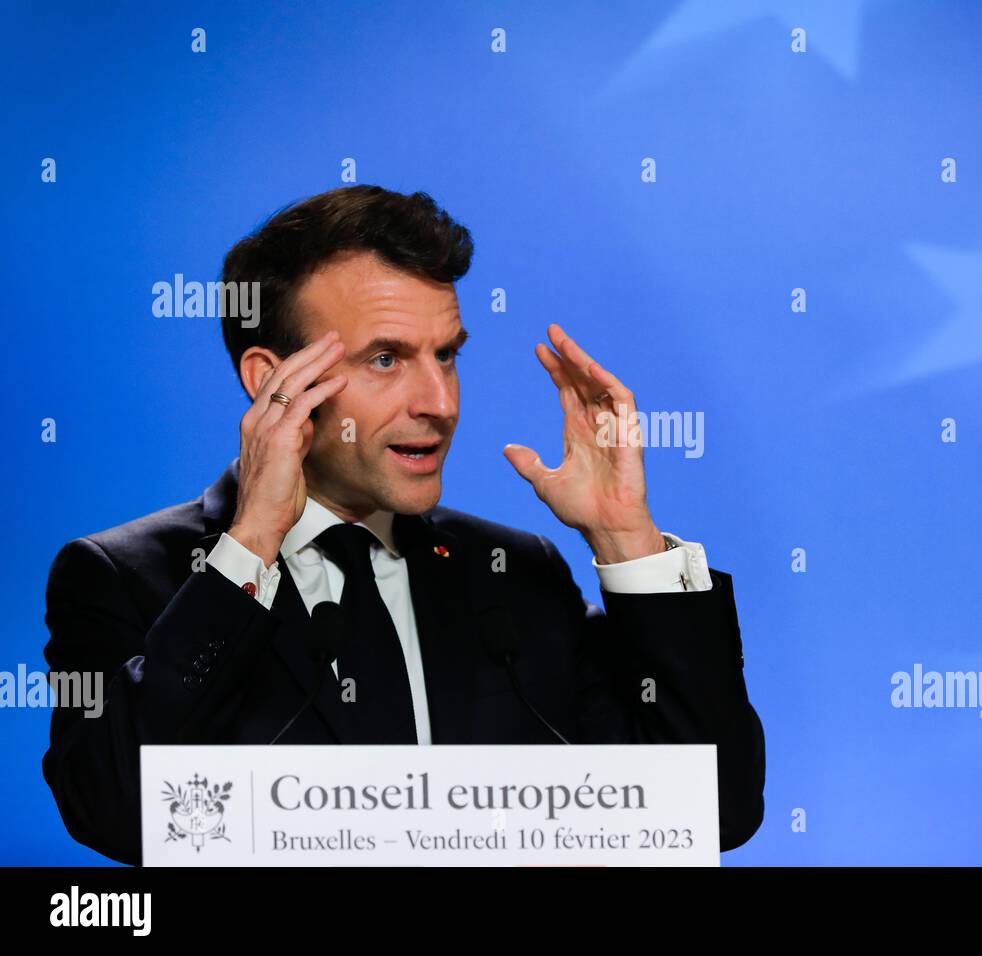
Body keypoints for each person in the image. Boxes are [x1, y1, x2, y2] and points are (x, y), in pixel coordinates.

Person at [41, 185, 765, 865]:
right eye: (386, 359)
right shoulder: (127, 577)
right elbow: (117, 809)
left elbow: (712, 809)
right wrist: (252, 545)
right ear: (271, 380)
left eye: (446, 355)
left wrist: (624, 539)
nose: (438, 402)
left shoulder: (512, 575)